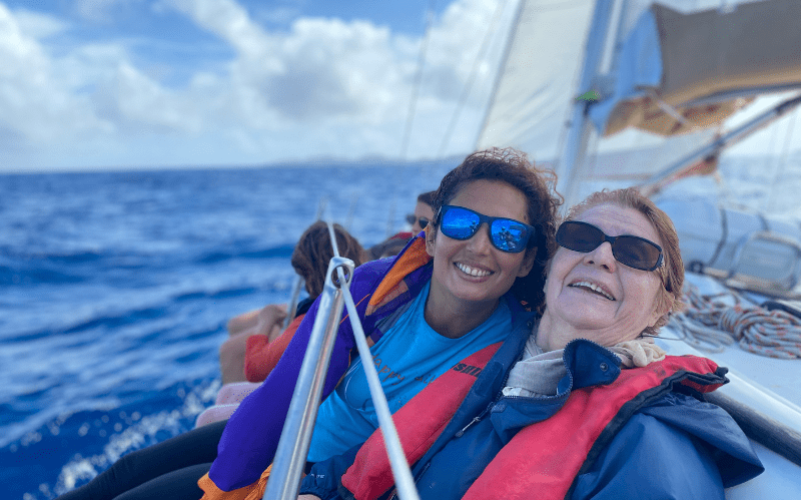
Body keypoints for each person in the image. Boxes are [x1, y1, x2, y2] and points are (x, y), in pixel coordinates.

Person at [298, 188, 764, 500]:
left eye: (635, 254)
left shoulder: (650, 444)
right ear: (549, 266)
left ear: (663, 307)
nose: (601, 256)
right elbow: (357, 467)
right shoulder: (481, 361)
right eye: (581, 237)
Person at [198, 148, 561, 500]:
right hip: (290, 441)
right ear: (432, 237)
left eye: (508, 235)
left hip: (339, 483)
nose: (481, 246)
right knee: (139, 474)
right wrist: (228, 489)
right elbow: (283, 394)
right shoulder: (374, 291)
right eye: (461, 223)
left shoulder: (516, 349)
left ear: (527, 260)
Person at [55, 222, 367, 500]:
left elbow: (256, 367)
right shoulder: (355, 307)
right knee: (131, 468)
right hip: (281, 427)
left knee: (131, 471)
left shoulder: (319, 316)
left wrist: (263, 325)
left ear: (311, 273)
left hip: (285, 439)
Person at [200, 221, 369, 426]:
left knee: (207, 418)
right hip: (334, 394)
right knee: (227, 393)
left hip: (309, 410)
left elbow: (255, 369)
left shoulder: (313, 318)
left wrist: (266, 322)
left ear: (308, 273)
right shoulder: (359, 298)